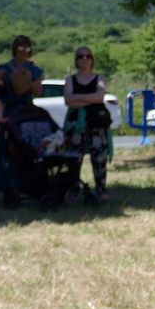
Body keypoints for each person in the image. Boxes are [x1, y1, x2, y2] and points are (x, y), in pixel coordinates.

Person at [63, 47, 112, 200]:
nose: (84, 59)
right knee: (74, 158)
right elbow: (68, 100)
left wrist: (79, 98)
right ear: (76, 60)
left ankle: (100, 190)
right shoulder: (70, 79)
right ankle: (73, 191)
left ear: (92, 60)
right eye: (80, 56)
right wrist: (90, 99)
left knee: (99, 159)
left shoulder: (99, 78)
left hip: (97, 122)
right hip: (75, 125)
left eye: (88, 56)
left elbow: (100, 97)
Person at [0, 35, 43, 114]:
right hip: (4, 109)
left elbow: (38, 92)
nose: (24, 51)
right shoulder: (2, 69)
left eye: (27, 48)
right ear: (15, 49)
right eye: (20, 48)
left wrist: (29, 80)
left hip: (25, 109)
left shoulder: (34, 70)